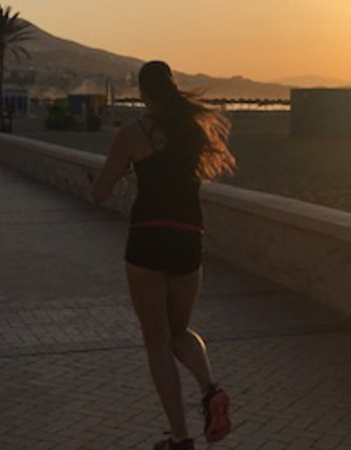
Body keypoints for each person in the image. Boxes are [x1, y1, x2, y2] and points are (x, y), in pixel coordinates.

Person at [89, 61, 236, 450]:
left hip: (148, 239)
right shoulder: (193, 130)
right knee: (179, 332)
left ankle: (180, 437)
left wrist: (116, 175)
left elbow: (99, 193)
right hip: (188, 239)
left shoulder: (133, 133)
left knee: (156, 339)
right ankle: (210, 389)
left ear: (142, 93)